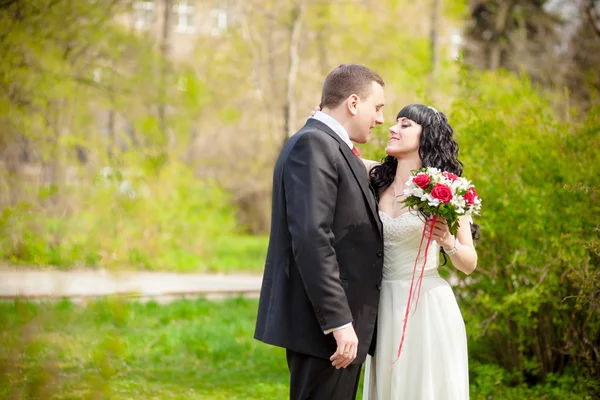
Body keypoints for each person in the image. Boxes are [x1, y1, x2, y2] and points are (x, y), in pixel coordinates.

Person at [254, 64, 386, 400]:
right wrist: (340, 323)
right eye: (378, 108)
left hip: (336, 327)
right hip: (325, 329)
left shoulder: (329, 146)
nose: (381, 119)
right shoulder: (314, 145)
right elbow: (313, 239)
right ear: (354, 103)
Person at [361, 104, 479, 400]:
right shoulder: (375, 179)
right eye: (395, 122)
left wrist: (450, 242)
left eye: (404, 124)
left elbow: (469, 264)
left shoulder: (446, 191)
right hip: (382, 304)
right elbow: (337, 151)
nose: (392, 128)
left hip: (426, 307)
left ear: (427, 136)